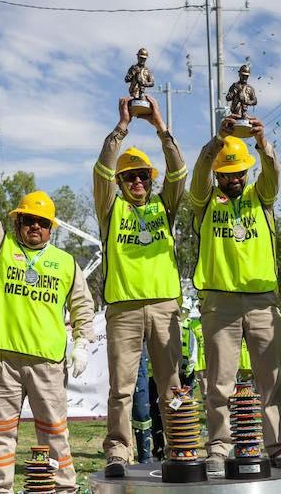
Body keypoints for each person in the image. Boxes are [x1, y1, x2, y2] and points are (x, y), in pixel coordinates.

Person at [0, 175, 94, 493]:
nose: (35, 227)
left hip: (48, 364)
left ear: (51, 229)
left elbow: (83, 307)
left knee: (54, 435)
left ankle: (63, 489)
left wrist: (83, 343)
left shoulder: (65, 263)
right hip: (2, 362)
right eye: (29, 221)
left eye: (42, 222)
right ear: (18, 221)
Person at [189, 116, 281, 473]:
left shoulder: (261, 198)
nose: (234, 180)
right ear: (218, 175)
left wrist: (262, 141)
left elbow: (272, 174)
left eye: (239, 174)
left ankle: (279, 446)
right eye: (227, 174)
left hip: (262, 301)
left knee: (271, 379)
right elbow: (197, 180)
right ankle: (219, 447)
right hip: (219, 303)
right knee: (220, 383)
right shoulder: (206, 203)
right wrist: (217, 141)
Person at [93, 96, 187, 476]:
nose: (136, 181)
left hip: (165, 306)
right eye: (129, 176)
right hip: (124, 309)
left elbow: (179, 173)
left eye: (142, 176)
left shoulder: (165, 206)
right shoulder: (110, 208)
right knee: (122, 388)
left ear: (151, 180)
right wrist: (122, 128)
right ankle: (118, 451)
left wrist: (161, 129)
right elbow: (101, 171)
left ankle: (179, 447)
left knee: (173, 388)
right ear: (120, 182)